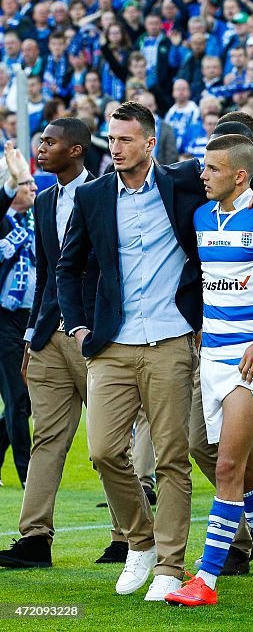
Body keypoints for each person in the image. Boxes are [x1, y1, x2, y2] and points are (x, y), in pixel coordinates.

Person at [55, 101, 205, 601]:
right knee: (102, 451)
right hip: (110, 344)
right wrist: (77, 327)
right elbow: (68, 266)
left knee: (171, 458)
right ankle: (139, 541)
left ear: (148, 143)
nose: (115, 148)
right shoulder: (94, 195)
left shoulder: (183, 181)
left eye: (124, 140)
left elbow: (238, 170)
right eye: (111, 140)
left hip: (171, 339)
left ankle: (168, 566)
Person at [164, 134, 253, 606]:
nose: (204, 176)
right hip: (212, 356)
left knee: (226, 466)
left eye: (213, 169)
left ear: (241, 175)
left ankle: (206, 580)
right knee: (246, 473)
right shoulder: (201, 216)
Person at [0, 123, 110, 568]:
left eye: (49, 142)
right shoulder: (44, 201)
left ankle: (126, 537)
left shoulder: (106, 194)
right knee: (46, 438)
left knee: (109, 443)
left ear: (76, 150)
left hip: (94, 337)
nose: (40, 148)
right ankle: (34, 539)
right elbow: (46, 276)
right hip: (46, 337)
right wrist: (31, 337)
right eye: (40, 141)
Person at [0, 142, 35, 490]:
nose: (33, 189)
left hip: (29, 317)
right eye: (27, 184)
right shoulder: (3, 221)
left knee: (25, 398)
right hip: (3, 318)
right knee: (16, 398)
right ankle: (27, 475)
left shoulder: (31, 219)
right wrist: (10, 179)